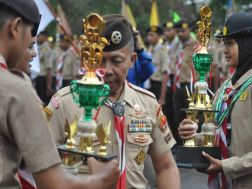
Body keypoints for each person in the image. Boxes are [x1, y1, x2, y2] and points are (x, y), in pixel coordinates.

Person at [47, 14, 180, 189]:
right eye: (100, 60)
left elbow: (165, 167)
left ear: (132, 60)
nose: (107, 70)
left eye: (117, 61)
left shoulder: (147, 103)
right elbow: (43, 166)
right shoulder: (65, 103)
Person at [0, 0, 119, 188]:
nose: (32, 53)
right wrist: (102, 179)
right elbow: (53, 183)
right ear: (15, 28)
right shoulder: (15, 89)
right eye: (30, 41)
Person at [179, 12, 252, 189]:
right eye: (224, 43)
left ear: (249, 45)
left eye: (230, 43)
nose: (224, 49)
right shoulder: (228, 86)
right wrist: (194, 136)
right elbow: (222, 135)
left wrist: (227, 166)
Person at [173, 20, 198, 145]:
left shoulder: (195, 46)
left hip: (190, 85)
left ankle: (191, 142)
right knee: (178, 115)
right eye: (178, 31)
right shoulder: (177, 46)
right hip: (178, 85)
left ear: (189, 31)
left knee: (191, 116)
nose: (180, 34)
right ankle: (181, 142)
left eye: (183, 31)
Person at [146, 25, 169, 105]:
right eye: (148, 35)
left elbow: (165, 74)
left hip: (158, 85)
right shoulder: (149, 49)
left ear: (159, 37)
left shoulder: (163, 51)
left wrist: (162, 97)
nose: (149, 37)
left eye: (152, 35)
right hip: (149, 84)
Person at [35, 30, 54, 105]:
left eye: (40, 36)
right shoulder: (37, 47)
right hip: (37, 78)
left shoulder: (46, 49)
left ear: (45, 37)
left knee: (42, 102)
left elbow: (48, 68)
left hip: (43, 79)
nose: (38, 37)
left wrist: (48, 86)